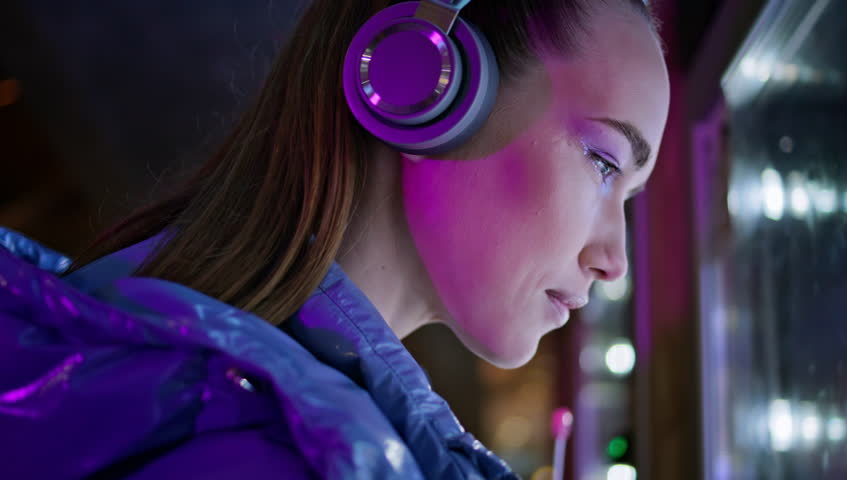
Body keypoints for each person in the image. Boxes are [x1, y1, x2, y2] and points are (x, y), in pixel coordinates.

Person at [0, 0, 669, 478]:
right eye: (605, 164)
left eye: (631, 197)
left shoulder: (139, 354)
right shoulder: (280, 449)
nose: (614, 260)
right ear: (423, 88)